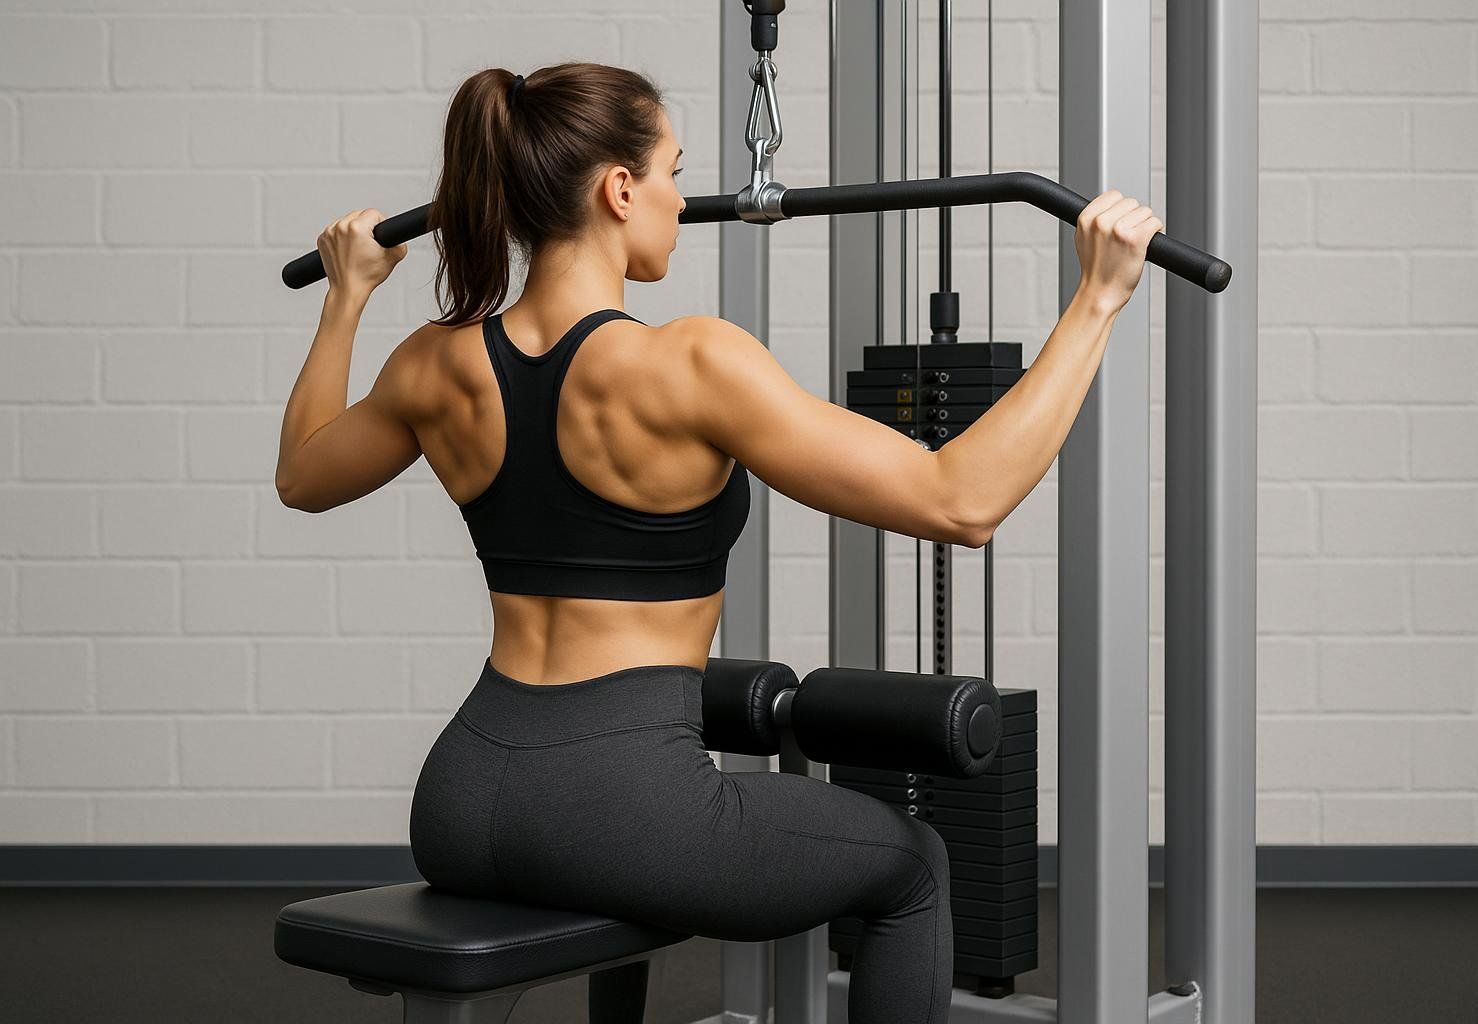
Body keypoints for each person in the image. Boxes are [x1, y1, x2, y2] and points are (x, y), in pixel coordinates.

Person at [274, 62, 1162, 1024]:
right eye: (673, 172)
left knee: (651, 858)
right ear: (620, 190)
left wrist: (346, 297)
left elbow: (303, 477)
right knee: (913, 867)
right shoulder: (688, 363)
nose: (680, 201)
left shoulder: (435, 361)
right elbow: (963, 501)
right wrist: (1097, 299)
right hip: (623, 806)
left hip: (462, 796)